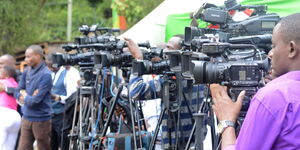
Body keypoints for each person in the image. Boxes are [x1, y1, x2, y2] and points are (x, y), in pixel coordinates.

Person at [211, 13, 300, 150]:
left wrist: (226, 122)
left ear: (292, 49)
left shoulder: (274, 96)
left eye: (274, 45)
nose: (270, 54)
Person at [125, 35, 205, 149]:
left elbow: (135, 92)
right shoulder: (199, 76)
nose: (164, 51)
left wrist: (138, 58)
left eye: (169, 47)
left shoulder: (172, 82)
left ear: (181, 53)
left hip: (175, 145)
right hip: (196, 144)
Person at [14, 45, 52, 150]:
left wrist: (25, 97)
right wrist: (26, 96)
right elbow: (17, 90)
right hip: (26, 117)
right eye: (25, 57)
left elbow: (36, 101)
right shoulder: (27, 70)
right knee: (23, 147)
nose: (26, 59)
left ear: (38, 56)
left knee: (43, 147)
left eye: (29, 56)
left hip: (41, 120)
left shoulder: (46, 74)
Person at [45, 54, 80, 150]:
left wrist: (58, 98)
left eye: (51, 66)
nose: (50, 68)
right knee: (52, 143)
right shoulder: (52, 73)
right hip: (52, 114)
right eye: (47, 66)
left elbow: (72, 97)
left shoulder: (70, 73)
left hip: (63, 114)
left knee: (64, 142)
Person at [0, 65, 20, 150]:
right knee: (9, 147)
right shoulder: (16, 84)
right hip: (16, 116)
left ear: (7, 75)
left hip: (4, 113)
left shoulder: (2, 82)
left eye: (1, 72)